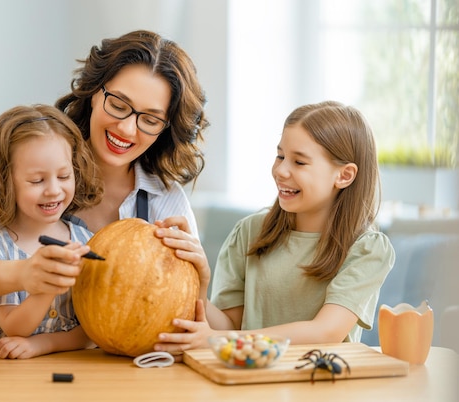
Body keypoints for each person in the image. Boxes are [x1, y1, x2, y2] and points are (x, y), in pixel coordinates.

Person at [0, 30, 209, 302]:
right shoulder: (29, 162)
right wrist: (21, 273)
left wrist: (199, 281)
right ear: (95, 92)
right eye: (118, 105)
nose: (127, 129)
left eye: (149, 120)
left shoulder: (165, 202)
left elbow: (179, 309)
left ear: (165, 128)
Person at [153, 101, 395, 352]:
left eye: (299, 162)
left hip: (321, 386)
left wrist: (220, 340)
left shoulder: (367, 249)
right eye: (280, 156)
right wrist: (197, 280)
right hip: (249, 383)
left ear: (344, 175)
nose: (280, 170)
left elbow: (326, 331)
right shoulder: (249, 233)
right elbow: (230, 326)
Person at [0, 104, 102, 359]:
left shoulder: (87, 242)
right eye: (37, 181)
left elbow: (91, 332)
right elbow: (15, 328)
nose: (53, 190)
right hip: (2, 376)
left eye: (63, 176)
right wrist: (50, 282)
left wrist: (44, 345)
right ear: (6, 181)